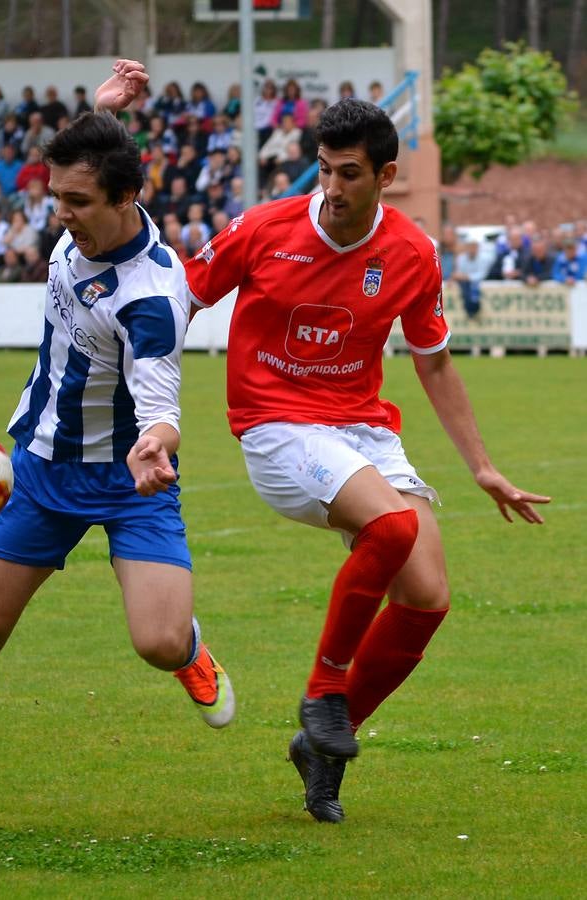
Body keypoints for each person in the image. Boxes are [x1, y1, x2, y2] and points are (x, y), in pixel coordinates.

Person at [105, 75, 550, 820]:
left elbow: (433, 359)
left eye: (351, 173)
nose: (334, 187)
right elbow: (178, 299)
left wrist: (482, 466)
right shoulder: (265, 229)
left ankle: (320, 743)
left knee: (427, 595)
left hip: (363, 430)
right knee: (392, 525)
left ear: (386, 176)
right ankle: (324, 692)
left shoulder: (413, 252)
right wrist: (145, 407)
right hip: (276, 426)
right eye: (325, 168)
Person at [0, 62, 235, 834]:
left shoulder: (152, 297)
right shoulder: (91, 207)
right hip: (41, 466)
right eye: (56, 199)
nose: (63, 215)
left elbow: (159, 390)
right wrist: (100, 112)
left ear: (123, 199)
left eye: (76, 202)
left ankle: (190, 652)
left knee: (157, 640)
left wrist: (158, 441)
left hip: (129, 478)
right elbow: (94, 159)